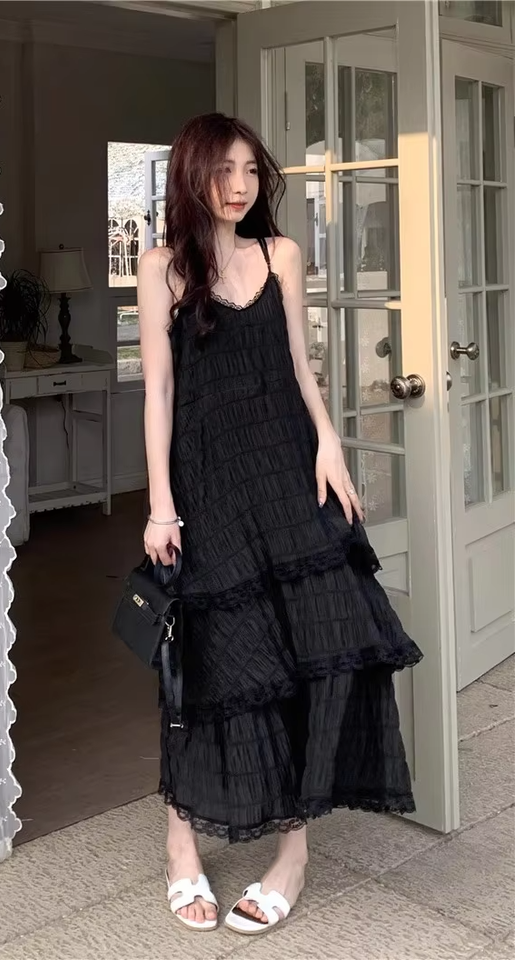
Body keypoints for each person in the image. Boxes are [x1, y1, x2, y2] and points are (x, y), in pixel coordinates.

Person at [137, 113, 423, 936]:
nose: (237, 186)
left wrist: (329, 443)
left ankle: (291, 854)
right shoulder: (160, 268)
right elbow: (158, 391)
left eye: (249, 171)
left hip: (289, 473)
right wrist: (160, 504)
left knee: (315, 651)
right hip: (207, 487)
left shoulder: (281, 255)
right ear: (190, 176)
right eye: (221, 170)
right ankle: (181, 842)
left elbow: (300, 363)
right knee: (209, 668)